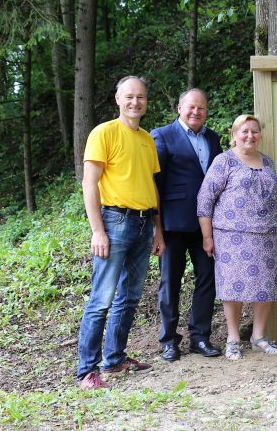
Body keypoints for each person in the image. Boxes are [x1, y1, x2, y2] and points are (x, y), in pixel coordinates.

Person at [77, 75, 165, 391]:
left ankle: (114, 360)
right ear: (118, 99)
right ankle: (87, 371)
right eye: (129, 97)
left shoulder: (146, 139)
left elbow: (150, 184)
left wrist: (158, 230)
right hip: (114, 222)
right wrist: (97, 230)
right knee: (102, 299)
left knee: (129, 298)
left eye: (140, 97)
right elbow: (90, 183)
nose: (135, 102)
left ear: (146, 102)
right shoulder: (103, 133)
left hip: (143, 225)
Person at [197, 114, 277, 360]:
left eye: (254, 131)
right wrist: (207, 237)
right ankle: (233, 338)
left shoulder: (267, 162)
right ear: (234, 135)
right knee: (233, 287)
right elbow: (205, 200)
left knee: (265, 287)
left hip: (265, 235)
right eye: (244, 131)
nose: (249, 136)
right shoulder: (224, 161)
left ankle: (258, 337)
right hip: (231, 236)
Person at [152, 89, 224, 361]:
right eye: (191, 107)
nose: (196, 112)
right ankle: (169, 340)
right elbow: (155, 183)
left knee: (208, 278)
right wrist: (156, 226)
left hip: (206, 224)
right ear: (180, 107)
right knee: (170, 282)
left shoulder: (213, 138)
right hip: (172, 222)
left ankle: (200, 337)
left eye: (202, 108)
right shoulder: (162, 135)